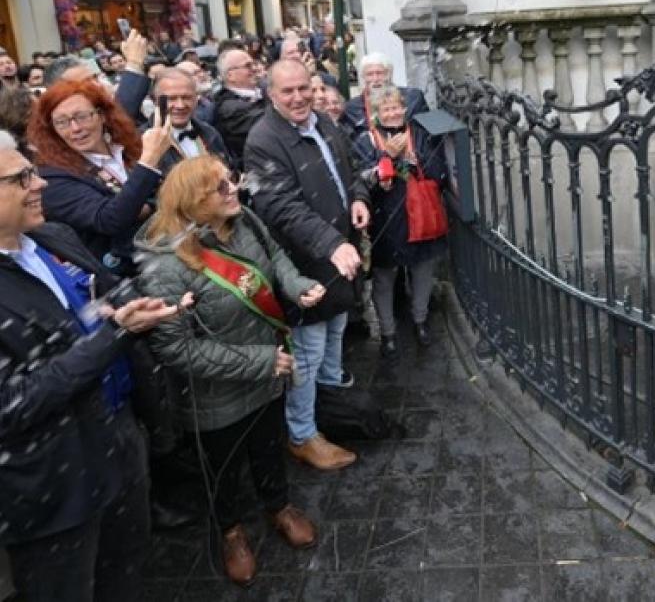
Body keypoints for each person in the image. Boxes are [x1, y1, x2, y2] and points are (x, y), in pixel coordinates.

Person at [0, 131, 185, 602]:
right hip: (53, 491)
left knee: (125, 576)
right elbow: (12, 405)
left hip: (115, 445)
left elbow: (94, 295)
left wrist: (128, 308)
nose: (39, 183)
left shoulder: (48, 237)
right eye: (21, 177)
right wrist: (113, 335)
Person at [136, 156, 329, 585]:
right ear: (190, 202)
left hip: (266, 372)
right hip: (215, 393)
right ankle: (231, 532)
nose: (232, 190)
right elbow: (176, 348)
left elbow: (275, 258)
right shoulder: (167, 264)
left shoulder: (244, 222)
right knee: (222, 467)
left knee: (267, 445)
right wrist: (259, 363)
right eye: (218, 187)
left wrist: (296, 286)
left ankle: (278, 506)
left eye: (231, 180)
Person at [245, 60, 370, 471]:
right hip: (304, 265)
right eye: (288, 92)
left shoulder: (323, 122)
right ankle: (301, 434)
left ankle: (330, 406)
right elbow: (280, 207)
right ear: (271, 94)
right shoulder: (263, 140)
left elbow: (347, 172)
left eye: (304, 88)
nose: (299, 98)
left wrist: (357, 199)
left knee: (335, 333)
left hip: (336, 257)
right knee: (308, 352)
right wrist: (331, 242)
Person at [28, 78, 171, 274]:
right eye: (62, 122)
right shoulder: (52, 177)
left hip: (171, 246)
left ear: (102, 116)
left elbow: (170, 190)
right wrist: (148, 163)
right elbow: (109, 219)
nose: (75, 128)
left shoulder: (128, 145)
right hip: (128, 274)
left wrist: (145, 206)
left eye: (82, 116)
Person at [355, 84, 447, 358]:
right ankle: (388, 332)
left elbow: (438, 172)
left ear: (405, 109)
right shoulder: (366, 140)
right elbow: (361, 180)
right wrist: (388, 158)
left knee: (422, 272)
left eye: (396, 107)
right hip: (387, 220)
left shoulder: (419, 134)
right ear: (376, 114)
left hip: (420, 218)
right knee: (384, 280)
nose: (392, 113)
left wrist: (413, 160)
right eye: (386, 109)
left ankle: (420, 320)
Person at [150, 68, 231, 175]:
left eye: (186, 97)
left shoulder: (210, 133)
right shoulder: (144, 143)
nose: (180, 105)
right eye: (171, 99)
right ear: (155, 101)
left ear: (196, 99)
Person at [342, 52, 429, 143]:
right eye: (370, 74)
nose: (375, 79)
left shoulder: (413, 98)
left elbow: (427, 135)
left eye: (380, 73)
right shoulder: (352, 108)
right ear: (363, 78)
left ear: (389, 75)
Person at [212, 47, 267, 161]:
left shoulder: (264, 90)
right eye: (248, 66)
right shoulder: (229, 108)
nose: (255, 69)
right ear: (230, 75)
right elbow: (269, 123)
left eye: (254, 64)